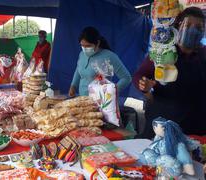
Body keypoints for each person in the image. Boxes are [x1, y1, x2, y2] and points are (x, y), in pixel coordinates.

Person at [133, 7, 206, 138]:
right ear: (178, 27)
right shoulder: (163, 52)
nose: (193, 30)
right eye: (188, 25)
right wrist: (144, 86)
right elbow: (139, 75)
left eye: (198, 27)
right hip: (164, 122)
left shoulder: (204, 53)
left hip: (197, 124)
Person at [69, 26, 132, 97]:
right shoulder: (82, 54)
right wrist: (73, 86)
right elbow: (78, 70)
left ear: (97, 43)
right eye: (82, 46)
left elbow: (126, 78)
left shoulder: (109, 56)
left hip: (101, 102)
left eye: (88, 46)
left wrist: (113, 90)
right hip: (82, 99)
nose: (85, 49)